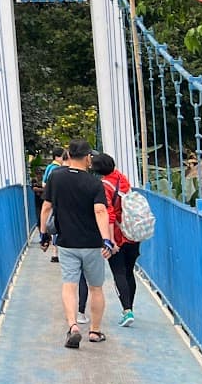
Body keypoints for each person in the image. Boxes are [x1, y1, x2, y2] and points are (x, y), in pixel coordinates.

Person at [39, 138, 115, 349]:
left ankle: (73, 326)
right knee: (96, 288)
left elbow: (46, 207)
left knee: (70, 286)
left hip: (66, 243)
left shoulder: (56, 177)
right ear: (88, 158)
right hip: (92, 244)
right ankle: (95, 331)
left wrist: (43, 234)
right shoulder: (94, 183)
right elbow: (100, 211)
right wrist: (106, 239)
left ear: (68, 156)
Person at [94, 152, 140, 327]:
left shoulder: (104, 185)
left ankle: (127, 311)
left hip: (119, 235)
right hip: (133, 233)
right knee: (129, 272)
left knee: (118, 273)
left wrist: (110, 240)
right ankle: (130, 308)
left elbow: (110, 214)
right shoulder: (122, 178)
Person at [40, 149, 68, 263]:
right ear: (57, 157)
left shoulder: (49, 168)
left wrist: (43, 233)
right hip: (59, 201)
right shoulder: (57, 170)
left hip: (52, 200)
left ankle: (55, 252)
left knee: (53, 223)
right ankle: (57, 251)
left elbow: (44, 183)